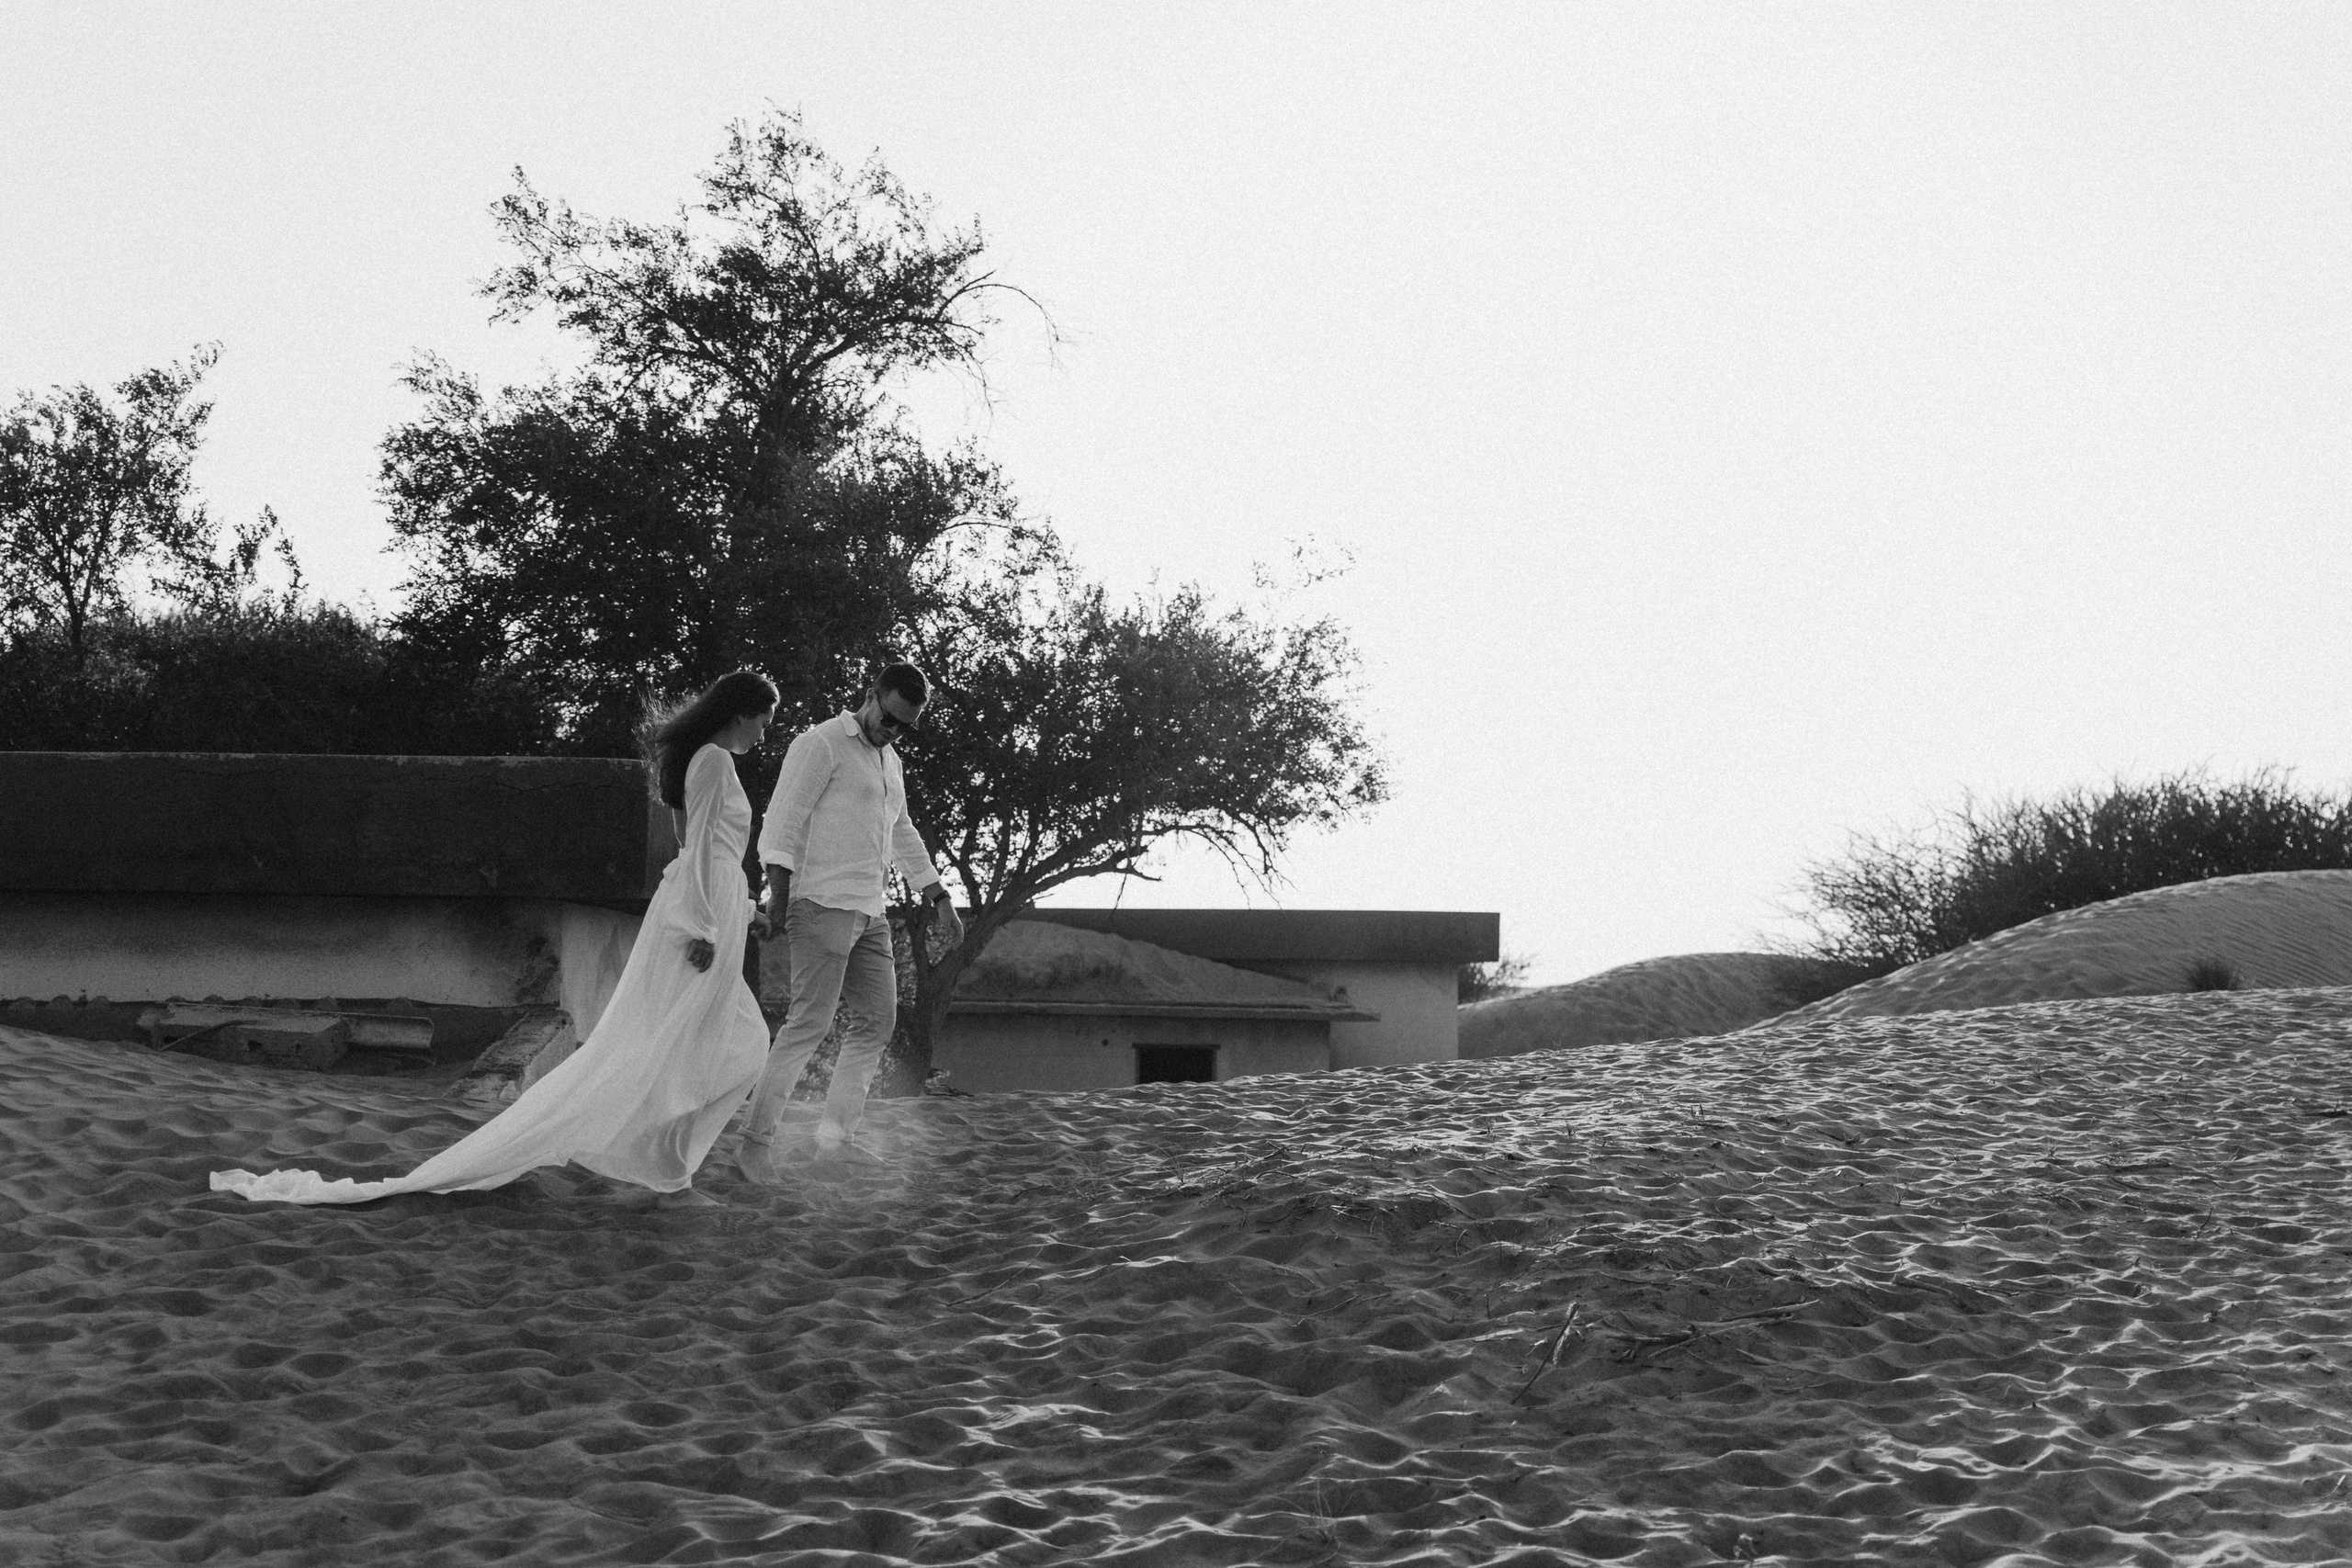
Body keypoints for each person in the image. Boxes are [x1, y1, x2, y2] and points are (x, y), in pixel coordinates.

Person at [209, 671, 781, 1209]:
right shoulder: (712, 762)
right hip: (700, 919)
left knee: (719, 1045)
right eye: (765, 719)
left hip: (713, 909)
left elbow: (702, 850)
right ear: (742, 714)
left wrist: (740, 910)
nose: (766, 731)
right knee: (688, 1046)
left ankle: (658, 1168)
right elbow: (699, 847)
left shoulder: (708, 762)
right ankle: (666, 1176)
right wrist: (704, 925)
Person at [738, 661, 964, 1179]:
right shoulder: (819, 744)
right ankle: (753, 1144)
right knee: (808, 1026)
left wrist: (938, 894)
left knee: (878, 1022)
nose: (893, 732)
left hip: (871, 910)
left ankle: (836, 1141)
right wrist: (778, 895)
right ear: (872, 695)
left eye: (905, 727)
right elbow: (783, 820)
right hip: (819, 904)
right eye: (889, 719)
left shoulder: (892, 763)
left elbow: (902, 832)